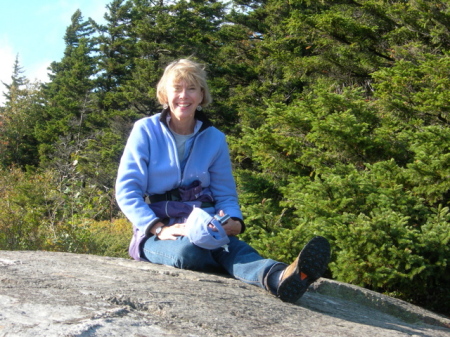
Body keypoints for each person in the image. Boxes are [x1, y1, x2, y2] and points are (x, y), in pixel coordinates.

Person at [115, 58, 330, 303]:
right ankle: (235, 264)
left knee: (230, 245)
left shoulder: (215, 138)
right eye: (177, 88)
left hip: (204, 223)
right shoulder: (145, 130)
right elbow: (127, 191)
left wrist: (235, 220)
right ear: (164, 93)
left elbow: (225, 194)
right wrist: (158, 228)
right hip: (159, 231)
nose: (183, 96)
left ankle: (280, 277)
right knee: (191, 251)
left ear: (201, 95)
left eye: (192, 88)